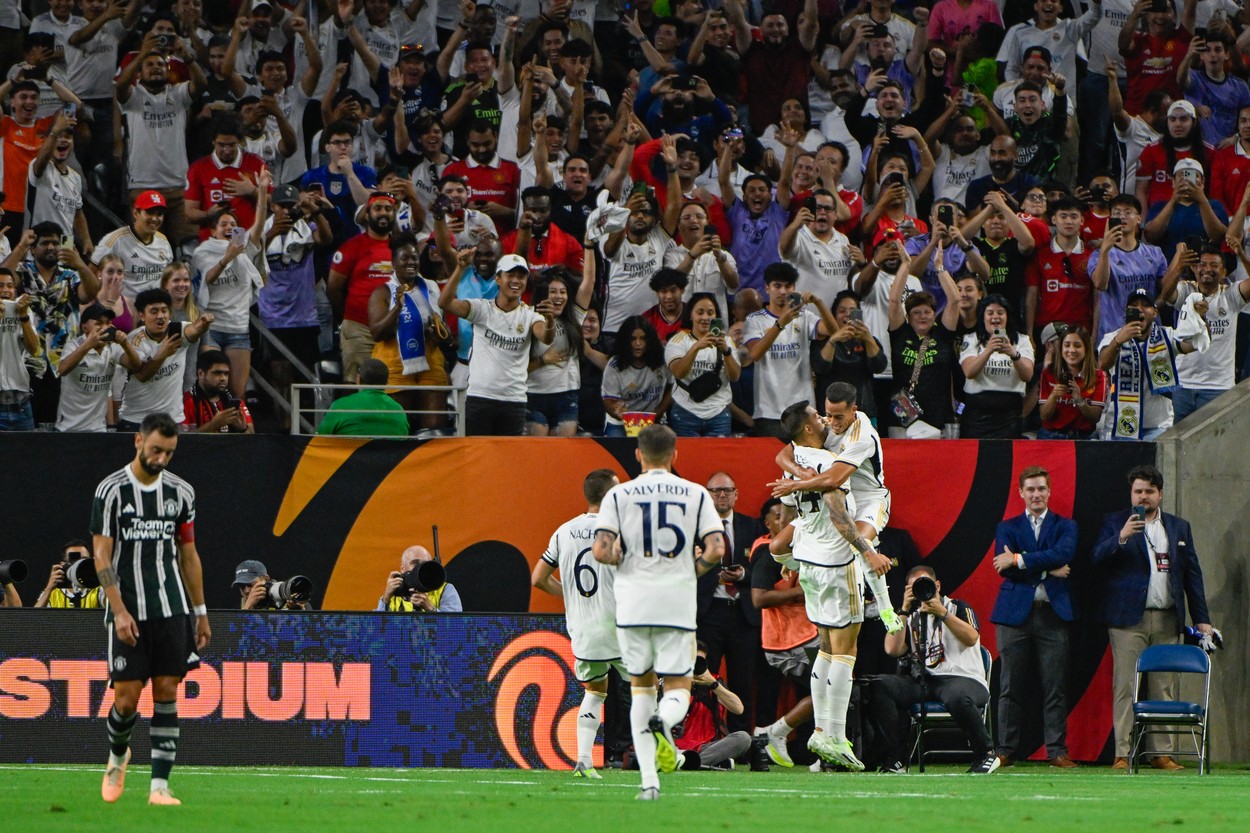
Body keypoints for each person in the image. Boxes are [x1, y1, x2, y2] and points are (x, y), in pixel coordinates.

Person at [591, 424, 725, 801]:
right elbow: (715, 548)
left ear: (638, 454)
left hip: (633, 602)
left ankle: (649, 782)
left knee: (642, 687)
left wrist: (621, 559)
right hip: (676, 603)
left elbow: (601, 551)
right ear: (675, 455)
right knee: (679, 686)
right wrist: (691, 569)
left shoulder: (618, 495)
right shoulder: (696, 494)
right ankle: (664, 723)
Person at [93, 412, 210, 806]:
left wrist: (201, 611)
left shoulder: (181, 493)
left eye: (169, 452)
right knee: (126, 699)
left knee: (166, 690)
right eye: (156, 449)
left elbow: (188, 554)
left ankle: (159, 786)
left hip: (171, 606)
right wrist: (120, 610)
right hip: (128, 608)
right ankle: (117, 754)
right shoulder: (111, 491)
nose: (161, 458)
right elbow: (101, 554)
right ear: (138, 442)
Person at [768, 402, 881, 772]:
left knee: (827, 649)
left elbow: (787, 514)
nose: (823, 419)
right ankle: (833, 734)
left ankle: (821, 730)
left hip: (808, 561)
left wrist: (786, 562)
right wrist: (868, 553)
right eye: (818, 416)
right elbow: (840, 516)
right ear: (809, 429)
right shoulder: (826, 463)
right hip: (835, 559)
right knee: (846, 651)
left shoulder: (797, 456)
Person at [1092, 464, 1214, 770]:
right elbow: (1096, 558)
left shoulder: (1178, 527)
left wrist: (1202, 619)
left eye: (1149, 491)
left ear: (1159, 494)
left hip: (1167, 617)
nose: (1143, 496)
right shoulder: (1115, 523)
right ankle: (1123, 752)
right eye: (1138, 491)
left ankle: (1162, 753)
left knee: (1164, 686)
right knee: (1126, 685)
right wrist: (1120, 538)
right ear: (1131, 493)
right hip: (1126, 619)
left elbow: (1192, 576)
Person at [531, 469, 623, 779]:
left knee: (596, 691)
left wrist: (570, 595)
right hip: (618, 626)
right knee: (648, 686)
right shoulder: (621, 530)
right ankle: (667, 753)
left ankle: (583, 759)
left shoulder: (564, 531)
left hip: (583, 630)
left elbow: (538, 578)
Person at [871, 565, 999, 774]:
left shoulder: (957, 607)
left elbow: (971, 637)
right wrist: (903, 609)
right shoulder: (912, 618)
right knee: (882, 685)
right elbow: (892, 649)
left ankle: (985, 753)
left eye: (926, 584)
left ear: (937, 585)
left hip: (964, 678)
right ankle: (896, 759)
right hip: (928, 680)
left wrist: (942, 613)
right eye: (915, 587)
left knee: (956, 695)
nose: (922, 590)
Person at [991, 466, 1079, 769]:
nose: (1036, 494)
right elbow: (1001, 567)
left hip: (1053, 615)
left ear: (1049, 491)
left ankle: (1057, 751)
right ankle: (1004, 750)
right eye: (1030, 489)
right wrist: (1045, 570)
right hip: (1014, 615)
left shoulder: (1066, 526)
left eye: (1041, 488)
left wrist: (1019, 558)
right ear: (1021, 493)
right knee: (1009, 686)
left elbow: (1063, 554)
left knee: (1055, 687)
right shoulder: (1007, 526)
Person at [439, 253, 558, 436]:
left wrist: (550, 321)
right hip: (480, 398)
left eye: (521, 276)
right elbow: (445, 302)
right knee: (478, 458)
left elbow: (546, 337)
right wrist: (460, 268)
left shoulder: (530, 315)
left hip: (514, 401)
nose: (516, 280)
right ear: (498, 279)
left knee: (508, 462)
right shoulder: (481, 309)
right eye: (510, 275)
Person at [695, 471, 765, 737]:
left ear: (736, 494)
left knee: (743, 681)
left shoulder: (753, 527)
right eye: (715, 491)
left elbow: (763, 567)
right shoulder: (694, 529)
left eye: (727, 490)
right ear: (707, 495)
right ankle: (705, 735)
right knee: (704, 676)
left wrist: (744, 576)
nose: (721, 495)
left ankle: (741, 740)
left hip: (743, 614)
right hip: (708, 611)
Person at [750, 498, 817, 768]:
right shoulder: (768, 552)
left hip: (809, 632)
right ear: (769, 524)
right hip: (787, 639)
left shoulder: (803, 547)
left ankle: (822, 754)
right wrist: (800, 592)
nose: (786, 520)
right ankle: (774, 732)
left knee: (835, 690)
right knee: (829, 690)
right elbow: (758, 598)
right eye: (779, 516)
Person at [367, 232, 452, 432]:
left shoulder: (431, 287)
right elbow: (377, 333)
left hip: (431, 361)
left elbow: (445, 330)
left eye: (414, 257)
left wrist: (440, 333)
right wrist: (397, 308)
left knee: (434, 429)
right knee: (399, 428)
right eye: (404, 258)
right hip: (395, 364)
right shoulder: (383, 292)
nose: (411, 262)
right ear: (393, 262)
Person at [742, 262, 837, 438]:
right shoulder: (755, 320)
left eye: (788, 286)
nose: (783, 292)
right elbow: (755, 354)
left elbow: (833, 331)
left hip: (802, 408)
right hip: (769, 411)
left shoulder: (804, 317)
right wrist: (781, 323)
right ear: (767, 288)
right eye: (777, 286)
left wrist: (819, 303)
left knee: (806, 462)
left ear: (794, 287)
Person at [1097, 289, 1207, 441]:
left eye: (1145, 305)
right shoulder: (1112, 337)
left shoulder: (1167, 335)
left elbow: (1194, 344)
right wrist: (1118, 341)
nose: (1140, 309)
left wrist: (1199, 318)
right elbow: (1102, 363)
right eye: (1134, 305)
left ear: (1155, 312)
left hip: (1158, 426)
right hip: (1121, 425)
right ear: (1126, 311)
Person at [1163, 245, 1250, 421]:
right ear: (1194, 268)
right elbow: (1166, 294)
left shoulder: (1231, 295)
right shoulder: (1186, 289)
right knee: (1177, 444)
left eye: (1214, 265)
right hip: (1183, 384)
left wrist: (1241, 253)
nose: (1207, 269)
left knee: (1215, 445)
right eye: (1202, 264)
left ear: (1224, 271)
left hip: (1218, 386)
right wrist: (1179, 265)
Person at [114, 288, 213, 431]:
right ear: (142, 315)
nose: (160, 316)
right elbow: (142, 375)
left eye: (164, 311)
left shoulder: (178, 331)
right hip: (136, 419)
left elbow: (193, 330)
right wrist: (163, 354)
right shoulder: (134, 341)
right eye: (154, 312)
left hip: (172, 419)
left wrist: (203, 324)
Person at [327, 191, 398, 384]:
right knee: (355, 381)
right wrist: (347, 318)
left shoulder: (401, 248)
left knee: (392, 383)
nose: (383, 213)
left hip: (394, 327)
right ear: (367, 214)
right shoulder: (351, 247)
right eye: (377, 208)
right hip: (359, 327)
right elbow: (333, 289)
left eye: (388, 209)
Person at [526, 262, 596, 437]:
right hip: (534, 395)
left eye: (563, 292)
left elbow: (589, 281)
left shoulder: (574, 317)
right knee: (538, 453)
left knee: (563, 453)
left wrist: (588, 245)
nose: (559, 296)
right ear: (543, 295)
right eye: (553, 292)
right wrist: (543, 360)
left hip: (567, 396)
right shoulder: (528, 319)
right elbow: (516, 368)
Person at [958, 295, 1035, 439]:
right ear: (983, 317)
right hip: (976, 419)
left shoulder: (1022, 341)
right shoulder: (971, 339)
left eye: (1000, 312)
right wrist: (988, 350)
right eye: (990, 313)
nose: (995, 317)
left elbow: (1028, 375)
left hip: (1009, 418)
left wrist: (1013, 353)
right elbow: (969, 372)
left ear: (1007, 316)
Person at [56, 303, 141, 433]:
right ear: (85, 328)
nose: (104, 328)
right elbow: (62, 369)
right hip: (68, 428)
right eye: (98, 323)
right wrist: (87, 345)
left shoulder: (112, 347)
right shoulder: (73, 345)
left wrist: (125, 344)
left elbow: (136, 366)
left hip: (98, 428)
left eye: (108, 323)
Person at [664, 292, 741, 437]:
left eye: (710, 313)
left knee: (718, 458)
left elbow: (735, 376)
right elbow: (678, 372)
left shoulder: (728, 341)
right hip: (685, 411)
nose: (705, 317)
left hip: (718, 412)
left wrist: (726, 351)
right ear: (691, 315)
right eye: (700, 312)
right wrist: (695, 347)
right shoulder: (678, 341)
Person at [673, 642, 754, 770]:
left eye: (699, 661)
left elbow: (739, 709)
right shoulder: (670, 681)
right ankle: (704, 763)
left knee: (743, 738)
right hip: (673, 745)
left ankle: (691, 763)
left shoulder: (714, 682)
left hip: (704, 748)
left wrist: (713, 684)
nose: (694, 666)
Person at [600, 315, 672, 437]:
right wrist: (617, 410)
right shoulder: (614, 365)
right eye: (633, 339)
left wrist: (657, 413)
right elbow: (608, 400)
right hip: (620, 422)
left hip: (654, 419)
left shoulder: (663, 358)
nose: (638, 344)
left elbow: (671, 388)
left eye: (643, 338)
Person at [1038, 324, 1108, 440]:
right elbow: (1044, 416)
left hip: (1083, 438)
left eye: (1077, 345)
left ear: (1086, 348)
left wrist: (1079, 399)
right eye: (1066, 345)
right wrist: (1054, 395)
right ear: (1061, 348)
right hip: (1050, 436)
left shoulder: (1099, 376)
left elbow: (1095, 417)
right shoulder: (1048, 373)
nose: (1071, 350)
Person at [316, 358, 409, 437]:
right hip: (388, 457)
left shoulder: (340, 405)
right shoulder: (399, 410)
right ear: (387, 382)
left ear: (358, 379)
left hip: (349, 457)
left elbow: (321, 438)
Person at [181, 349, 254, 434]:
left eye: (226, 374)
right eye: (217, 373)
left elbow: (252, 436)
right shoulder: (186, 402)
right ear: (201, 373)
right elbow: (183, 441)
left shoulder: (234, 402)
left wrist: (243, 429)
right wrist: (214, 425)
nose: (223, 378)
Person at [378, 546, 463, 613]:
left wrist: (430, 608)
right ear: (402, 568)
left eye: (425, 564)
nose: (420, 568)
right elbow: (374, 630)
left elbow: (455, 628)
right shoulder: (393, 592)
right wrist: (385, 599)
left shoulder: (445, 590)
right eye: (415, 563)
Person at [33, 539, 103, 609]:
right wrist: (49, 588)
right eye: (73, 560)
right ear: (62, 564)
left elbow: (112, 609)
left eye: (83, 560)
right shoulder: (53, 593)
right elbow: (34, 618)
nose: (78, 565)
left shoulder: (99, 590)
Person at [232, 559, 313, 612]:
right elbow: (233, 637)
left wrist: (301, 613)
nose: (246, 590)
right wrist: (248, 608)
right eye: (242, 587)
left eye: (250, 584)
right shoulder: (238, 611)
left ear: (266, 579)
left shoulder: (293, 601)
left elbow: (314, 635)